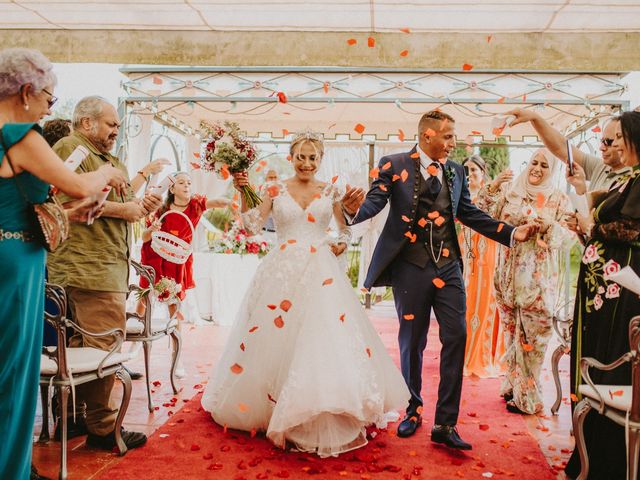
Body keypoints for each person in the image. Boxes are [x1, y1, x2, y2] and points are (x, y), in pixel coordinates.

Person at [201, 133, 409, 457]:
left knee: (318, 338)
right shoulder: (276, 188)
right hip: (281, 271)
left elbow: (343, 229)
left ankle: (319, 403)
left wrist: (341, 242)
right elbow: (252, 225)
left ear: (321, 159)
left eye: (313, 158)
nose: (307, 163)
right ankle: (272, 405)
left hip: (320, 271)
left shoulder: (330, 190)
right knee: (276, 339)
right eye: (301, 157)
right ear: (291, 156)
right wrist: (242, 190)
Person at [341, 110, 538, 450]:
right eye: (448, 136)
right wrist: (349, 211)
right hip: (409, 268)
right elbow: (373, 202)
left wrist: (510, 231)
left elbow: (467, 212)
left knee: (457, 335)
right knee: (412, 341)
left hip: (448, 268)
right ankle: (412, 409)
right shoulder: (393, 163)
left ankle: (446, 423)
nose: (453, 142)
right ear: (428, 135)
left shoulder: (456, 170)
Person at [0, 48, 126, 480]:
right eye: (51, 99)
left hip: (15, 247)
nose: (50, 108)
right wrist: (108, 175)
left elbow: (18, 206)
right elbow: (77, 183)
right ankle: (11, 469)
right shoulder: (19, 133)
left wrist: (69, 214)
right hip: (18, 263)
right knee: (15, 371)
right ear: (27, 91)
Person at [47, 95, 163, 452]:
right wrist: (125, 210)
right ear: (86, 123)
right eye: (111, 123)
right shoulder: (72, 148)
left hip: (103, 263)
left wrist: (143, 206)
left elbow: (123, 206)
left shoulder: (108, 160)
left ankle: (71, 416)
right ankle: (102, 425)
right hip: (87, 267)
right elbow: (56, 199)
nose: (116, 130)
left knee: (84, 346)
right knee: (101, 346)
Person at [565, 111, 640, 480]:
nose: (611, 145)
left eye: (617, 138)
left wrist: (590, 224)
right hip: (606, 290)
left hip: (622, 292)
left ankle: (608, 460)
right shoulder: (629, 181)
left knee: (611, 360)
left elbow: (626, 231)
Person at [476, 149, 575, 414]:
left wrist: (547, 227)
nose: (538, 169)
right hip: (507, 279)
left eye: (545, 165)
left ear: (551, 170)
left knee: (534, 342)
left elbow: (569, 236)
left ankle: (529, 398)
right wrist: (494, 185)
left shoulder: (558, 199)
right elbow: (481, 212)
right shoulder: (511, 193)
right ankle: (512, 387)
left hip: (538, 284)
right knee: (511, 337)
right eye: (534, 162)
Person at [138, 171, 229, 375]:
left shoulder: (196, 205)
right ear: (172, 188)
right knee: (143, 300)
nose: (187, 185)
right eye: (181, 182)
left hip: (177, 261)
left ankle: (176, 359)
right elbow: (144, 238)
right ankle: (136, 341)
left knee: (174, 309)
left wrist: (232, 201)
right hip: (155, 257)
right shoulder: (160, 209)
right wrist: (152, 228)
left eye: (189, 182)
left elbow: (216, 202)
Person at [507, 108, 631, 195]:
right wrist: (534, 118)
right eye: (601, 141)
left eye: (608, 142)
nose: (601, 148)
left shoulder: (633, 180)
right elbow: (561, 147)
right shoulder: (601, 167)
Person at [459, 155, 504, 378]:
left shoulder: (493, 196)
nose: (469, 174)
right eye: (465, 169)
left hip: (486, 256)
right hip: (464, 257)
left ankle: (481, 355)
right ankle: (463, 354)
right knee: (463, 305)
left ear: (483, 174)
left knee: (483, 303)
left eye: (474, 170)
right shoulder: (457, 194)